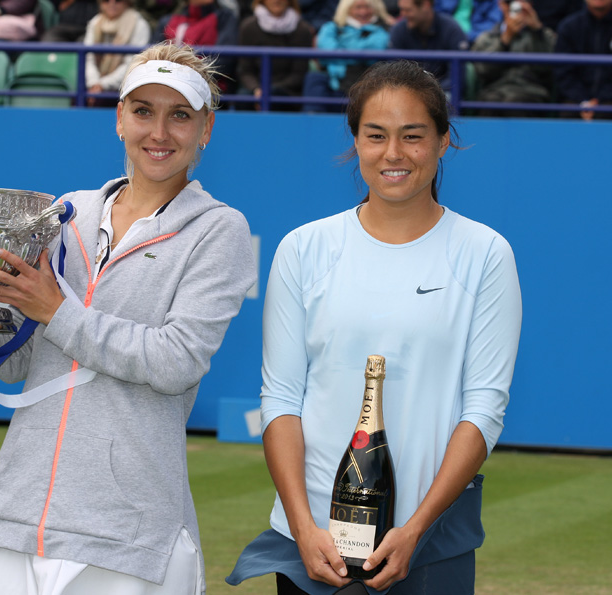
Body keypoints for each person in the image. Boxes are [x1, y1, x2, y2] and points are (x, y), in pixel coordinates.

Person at [0, 42, 257, 595]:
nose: (160, 132)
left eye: (180, 116)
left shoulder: (218, 230)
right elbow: (17, 359)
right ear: (119, 118)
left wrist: (58, 310)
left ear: (206, 128)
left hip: (126, 533)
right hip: (16, 514)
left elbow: (176, 361)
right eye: (144, 111)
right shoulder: (66, 213)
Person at [227, 59, 522, 594]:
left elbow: (483, 407)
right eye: (376, 135)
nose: (394, 153)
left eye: (413, 135)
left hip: (430, 546)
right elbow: (282, 398)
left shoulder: (485, 254)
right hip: (314, 546)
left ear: (442, 141)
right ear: (356, 142)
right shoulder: (304, 249)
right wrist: (303, 527)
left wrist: (415, 528)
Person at [302, 0, 392, 112]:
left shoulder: (383, 29)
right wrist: (358, 57)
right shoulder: (331, 27)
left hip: (367, 82)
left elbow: (375, 49)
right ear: (347, 9)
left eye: (367, 7)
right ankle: (312, 119)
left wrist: (339, 53)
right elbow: (325, 52)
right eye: (358, 7)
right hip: (335, 81)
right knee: (314, 78)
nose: (363, 12)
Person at [471, 0, 556, 117]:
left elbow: (549, 68)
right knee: (491, 102)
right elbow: (483, 71)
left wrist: (537, 31)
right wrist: (505, 40)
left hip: (531, 92)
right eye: (510, 3)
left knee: (514, 102)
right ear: (502, 5)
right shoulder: (487, 37)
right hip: (494, 91)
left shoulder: (544, 35)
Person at [236, 0, 315, 110]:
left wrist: (268, 92)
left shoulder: (302, 30)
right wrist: (256, 89)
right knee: (243, 97)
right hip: (254, 90)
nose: (277, 1)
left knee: (276, 95)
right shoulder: (248, 27)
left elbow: (298, 74)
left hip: (288, 92)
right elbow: (245, 70)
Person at [389, 0, 469, 94]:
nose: (402, 14)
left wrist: (432, 94)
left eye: (408, 10)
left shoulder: (451, 29)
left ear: (426, 5)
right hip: (409, 93)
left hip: (443, 93)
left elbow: (457, 77)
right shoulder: (398, 31)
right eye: (401, 9)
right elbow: (394, 74)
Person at [83, 0, 151, 106]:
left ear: (128, 2)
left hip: (125, 89)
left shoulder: (139, 24)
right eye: (106, 1)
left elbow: (133, 64)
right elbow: (88, 59)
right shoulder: (95, 22)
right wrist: (94, 83)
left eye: (118, 1)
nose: (112, 4)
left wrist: (103, 85)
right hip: (93, 86)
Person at [554, 0, 612, 120]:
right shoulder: (569, 26)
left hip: (608, 99)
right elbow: (563, 72)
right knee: (568, 113)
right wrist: (583, 101)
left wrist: (600, 99)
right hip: (574, 99)